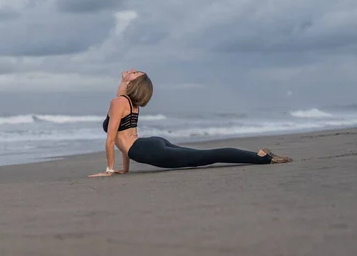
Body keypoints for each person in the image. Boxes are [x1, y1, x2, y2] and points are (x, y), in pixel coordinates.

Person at [88, 69, 292, 177]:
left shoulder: (119, 102)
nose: (131, 70)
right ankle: (260, 156)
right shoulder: (128, 103)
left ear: (134, 83)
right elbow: (126, 138)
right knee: (201, 156)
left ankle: (262, 158)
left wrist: (108, 171)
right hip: (147, 145)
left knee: (205, 157)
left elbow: (112, 140)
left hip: (148, 149)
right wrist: (124, 170)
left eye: (135, 73)